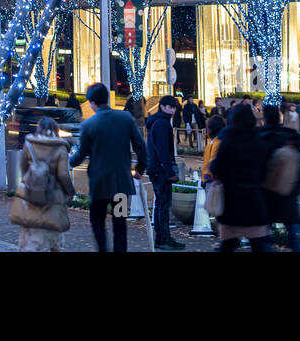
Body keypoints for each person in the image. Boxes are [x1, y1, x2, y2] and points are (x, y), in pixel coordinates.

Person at [68, 83, 147, 252]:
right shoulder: (126, 119)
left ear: (92, 102)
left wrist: (69, 161)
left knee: (98, 221)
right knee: (120, 222)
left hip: (99, 186)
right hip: (121, 183)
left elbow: (81, 155)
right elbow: (141, 146)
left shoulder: (88, 125)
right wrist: (140, 169)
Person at [210, 103, 272, 252]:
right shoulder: (260, 140)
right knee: (260, 245)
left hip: (231, 202)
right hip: (255, 201)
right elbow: (267, 170)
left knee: (228, 245)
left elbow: (217, 168)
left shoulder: (228, 140)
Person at [13, 116, 75, 251]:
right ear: (56, 129)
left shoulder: (29, 144)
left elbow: (23, 168)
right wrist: (70, 191)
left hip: (32, 195)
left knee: (32, 229)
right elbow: (63, 174)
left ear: (39, 128)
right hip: (53, 197)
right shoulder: (60, 147)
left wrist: (34, 181)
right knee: (52, 233)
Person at [260, 104, 300, 251]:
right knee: (295, 235)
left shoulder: (259, 136)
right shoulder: (290, 135)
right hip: (288, 195)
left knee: (262, 238)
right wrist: (295, 189)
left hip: (265, 196)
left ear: (264, 118)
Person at [146, 96, 185, 250]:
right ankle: (164, 239)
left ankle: (160, 239)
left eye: (174, 107)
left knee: (160, 204)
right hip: (161, 170)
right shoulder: (162, 124)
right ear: (162, 106)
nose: (173, 110)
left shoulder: (156, 122)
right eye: (170, 107)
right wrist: (169, 171)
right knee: (163, 205)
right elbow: (163, 150)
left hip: (156, 169)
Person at [202, 115, 225, 181]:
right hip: (209, 177)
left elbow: (213, 160)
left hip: (212, 179)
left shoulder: (217, 142)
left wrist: (207, 175)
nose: (207, 129)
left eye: (208, 127)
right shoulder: (212, 140)